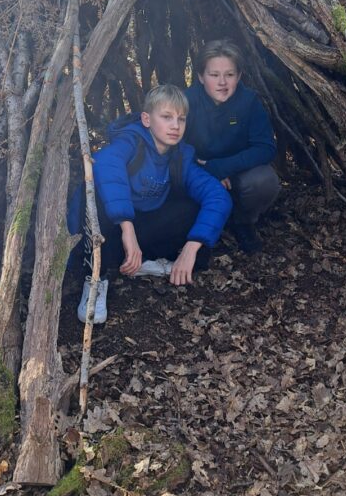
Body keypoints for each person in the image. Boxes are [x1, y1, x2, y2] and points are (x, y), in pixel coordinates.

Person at [70, 84, 232, 323]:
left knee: (192, 207)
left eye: (181, 119)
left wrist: (192, 247)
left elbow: (218, 196)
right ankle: (95, 280)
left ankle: (141, 261)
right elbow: (104, 163)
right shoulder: (131, 141)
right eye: (166, 117)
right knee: (93, 194)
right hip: (102, 234)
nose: (175, 126)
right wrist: (127, 228)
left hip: (138, 231)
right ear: (147, 119)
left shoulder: (180, 156)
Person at [184, 40, 280, 254]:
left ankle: (243, 221)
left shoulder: (249, 102)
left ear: (238, 76)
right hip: (198, 171)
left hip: (237, 172)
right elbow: (173, 146)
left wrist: (222, 167)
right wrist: (206, 172)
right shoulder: (187, 102)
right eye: (214, 75)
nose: (222, 82)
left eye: (229, 74)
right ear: (201, 77)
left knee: (264, 181)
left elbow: (265, 147)